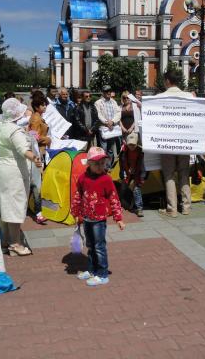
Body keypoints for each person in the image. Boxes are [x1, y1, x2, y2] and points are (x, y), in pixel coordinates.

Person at [0, 98, 43, 256]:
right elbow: (23, 150)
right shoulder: (15, 130)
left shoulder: (0, 126)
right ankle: (15, 243)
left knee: (4, 204)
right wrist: (35, 159)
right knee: (14, 205)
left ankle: (5, 240)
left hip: (2, 167)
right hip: (14, 170)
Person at [71, 147, 125, 286]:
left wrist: (118, 218)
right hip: (87, 218)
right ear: (89, 163)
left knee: (99, 246)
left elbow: (114, 198)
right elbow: (78, 195)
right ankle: (91, 270)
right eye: (97, 164)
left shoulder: (106, 179)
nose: (101, 166)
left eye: (103, 163)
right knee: (90, 245)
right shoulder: (83, 178)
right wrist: (75, 212)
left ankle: (102, 274)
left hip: (99, 220)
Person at [155, 69, 193, 217]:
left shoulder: (159, 97)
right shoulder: (189, 96)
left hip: (166, 141)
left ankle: (173, 208)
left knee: (169, 174)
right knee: (184, 173)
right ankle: (187, 207)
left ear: (167, 81)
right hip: (185, 141)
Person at [94, 85, 121, 167]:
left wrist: (112, 122)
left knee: (110, 150)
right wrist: (106, 122)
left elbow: (118, 113)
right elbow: (98, 114)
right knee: (103, 149)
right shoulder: (98, 103)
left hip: (112, 128)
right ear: (103, 92)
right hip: (104, 128)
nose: (108, 93)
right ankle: (102, 166)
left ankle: (108, 167)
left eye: (109, 91)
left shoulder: (114, 102)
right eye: (106, 91)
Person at [119, 132, 145, 216]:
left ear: (137, 144)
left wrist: (142, 176)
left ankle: (139, 208)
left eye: (133, 145)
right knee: (123, 188)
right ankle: (121, 205)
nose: (131, 146)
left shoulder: (140, 152)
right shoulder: (123, 151)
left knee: (136, 190)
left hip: (137, 173)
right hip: (126, 173)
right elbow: (121, 163)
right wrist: (122, 172)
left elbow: (142, 165)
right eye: (130, 144)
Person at [28, 96, 52, 161]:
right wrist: (48, 139)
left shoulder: (38, 116)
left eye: (45, 105)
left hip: (42, 149)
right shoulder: (35, 118)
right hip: (39, 151)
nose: (45, 107)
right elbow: (33, 136)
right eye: (42, 105)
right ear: (36, 107)